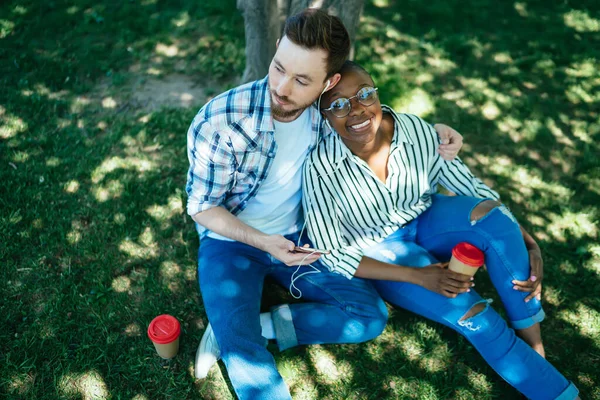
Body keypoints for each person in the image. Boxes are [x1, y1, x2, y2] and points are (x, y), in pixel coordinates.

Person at [185, 9, 464, 400]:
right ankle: (238, 333)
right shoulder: (221, 120)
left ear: (329, 82)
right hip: (230, 240)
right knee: (246, 355)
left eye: (301, 80)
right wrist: (263, 243)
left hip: (301, 237)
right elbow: (202, 207)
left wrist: (435, 134)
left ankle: (255, 325)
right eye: (278, 67)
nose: (281, 88)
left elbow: (383, 127)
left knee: (369, 317)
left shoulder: (332, 115)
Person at [302, 60, 580, 400]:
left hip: (428, 221)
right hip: (378, 250)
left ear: (377, 92)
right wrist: (417, 276)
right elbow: (334, 255)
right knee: (474, 313)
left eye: (364, 94)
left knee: (492, 218)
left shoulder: (415, 130)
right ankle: (557, 393)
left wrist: (529, 243)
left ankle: (533, 344)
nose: (357, 109)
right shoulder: (319, 168)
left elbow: (472, 188)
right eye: (339, 105)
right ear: (325, 115)